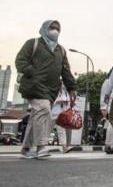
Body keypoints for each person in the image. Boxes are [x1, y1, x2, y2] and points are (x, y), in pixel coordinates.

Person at [15, 20, 77, 159]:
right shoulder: (33, 43)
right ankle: (41, 147)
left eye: (57, 28)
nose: (55, 30)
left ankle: (25, 149)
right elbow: (20, 60)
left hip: (51, 90)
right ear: (44, 29)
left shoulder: (60, 50)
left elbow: (65, 70)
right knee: (44, 110)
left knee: (36, 117)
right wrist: (32, 72)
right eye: (52, 27)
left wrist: (72, 87)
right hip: (33, 86)